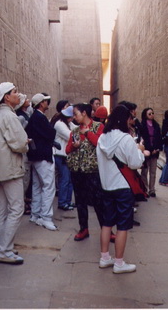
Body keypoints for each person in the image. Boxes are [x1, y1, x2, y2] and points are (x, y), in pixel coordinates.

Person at [96, 105, 145, 273]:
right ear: (125, 120)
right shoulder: (125, 139)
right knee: (123, 225)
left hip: (106, 185)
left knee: (107, 223)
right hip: (123, 187)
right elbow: (135, 163)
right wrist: (140, 151)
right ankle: (119, 263)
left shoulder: (102, 138)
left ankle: (104, 258)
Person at [0, 82, 28, 265]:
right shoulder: (9, 117)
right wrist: (26, 143)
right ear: (7, 97)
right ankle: (5, 250)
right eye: (15, 92)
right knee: (17, 208)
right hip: (10, 170)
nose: (18, 95)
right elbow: (19, 143)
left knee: (1, 209)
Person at [66, 103, 109, 241]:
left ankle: (106, 229)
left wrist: (88, 133)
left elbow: (100, 143)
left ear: (84, 113)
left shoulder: (98, 127)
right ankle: (83, 228)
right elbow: (67, 150)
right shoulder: (75, 131)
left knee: (98, 201)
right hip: (77, 171)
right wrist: (73, 146)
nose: (74, 117)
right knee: (80, 201)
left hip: (93, 171)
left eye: (76, 114)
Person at [26, 92, 58, 230]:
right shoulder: (39, 117)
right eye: (45, 101)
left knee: (38, 186)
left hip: (35, 156)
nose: (47, 103)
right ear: (41, 103)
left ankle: (35, 214)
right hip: (43, 156)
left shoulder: (34, 117)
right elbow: (51, 133)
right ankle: (45, 217)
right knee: (48, 186)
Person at [53, 105, 74, 211]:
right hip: (60, 155)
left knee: (69, 180)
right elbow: (70, 136)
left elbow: (76, 129)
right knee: (64, 179)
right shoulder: (60, 124)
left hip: (66, 155)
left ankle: (68, 201)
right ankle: (62, 202)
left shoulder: (67, 123)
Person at [15, 94, 33, 214]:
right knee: (24, 179)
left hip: (27, 148)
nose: (28, 101)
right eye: (26, 99)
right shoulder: (20, 117)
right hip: (23, 150)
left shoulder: (26, 114)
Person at [140, 107, 162, 197]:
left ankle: (152, 190)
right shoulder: (142, 125)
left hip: (155, 151)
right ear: (145, 115)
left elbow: (159, 138)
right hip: (146, 151)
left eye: (152, 113)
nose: (152, 115)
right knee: (144, 171)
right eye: (149, 114)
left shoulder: (156, 125)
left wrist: (157, 149)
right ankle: (145, 188)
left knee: (153, 172)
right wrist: (149, 149)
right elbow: (143, 139)